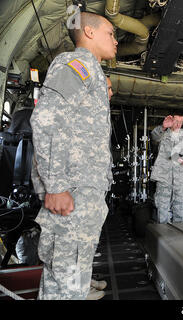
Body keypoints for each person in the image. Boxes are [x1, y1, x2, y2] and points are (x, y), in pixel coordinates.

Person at [30, 11, 117, 300]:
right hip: (71, 193)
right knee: (63, 288)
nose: (115, 41)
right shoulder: (76, 63)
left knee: (73, 279)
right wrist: (55, 186)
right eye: (110, 33)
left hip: (83, 195)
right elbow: (47, 119)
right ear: (89, 32)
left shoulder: (92, 72)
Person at [86, 75, 114, 300]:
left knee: (87, 241)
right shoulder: (80, 109)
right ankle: (78, 288)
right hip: (79, 189)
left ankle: (85, 280)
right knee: (76, 243)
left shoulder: (98, 114)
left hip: (93, 187)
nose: (111, 92)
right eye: (108, 88)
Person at [150, 114, 183, 224]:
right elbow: (154, 136)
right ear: (171, 121)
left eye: (181, 121)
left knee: (179, 207)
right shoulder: (163, 133)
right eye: (176, 121)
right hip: (164, 177)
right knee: (162, 207)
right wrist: (163, 127)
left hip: (179, 179)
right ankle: (162, 235)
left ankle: (177, 236)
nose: (178, 124)